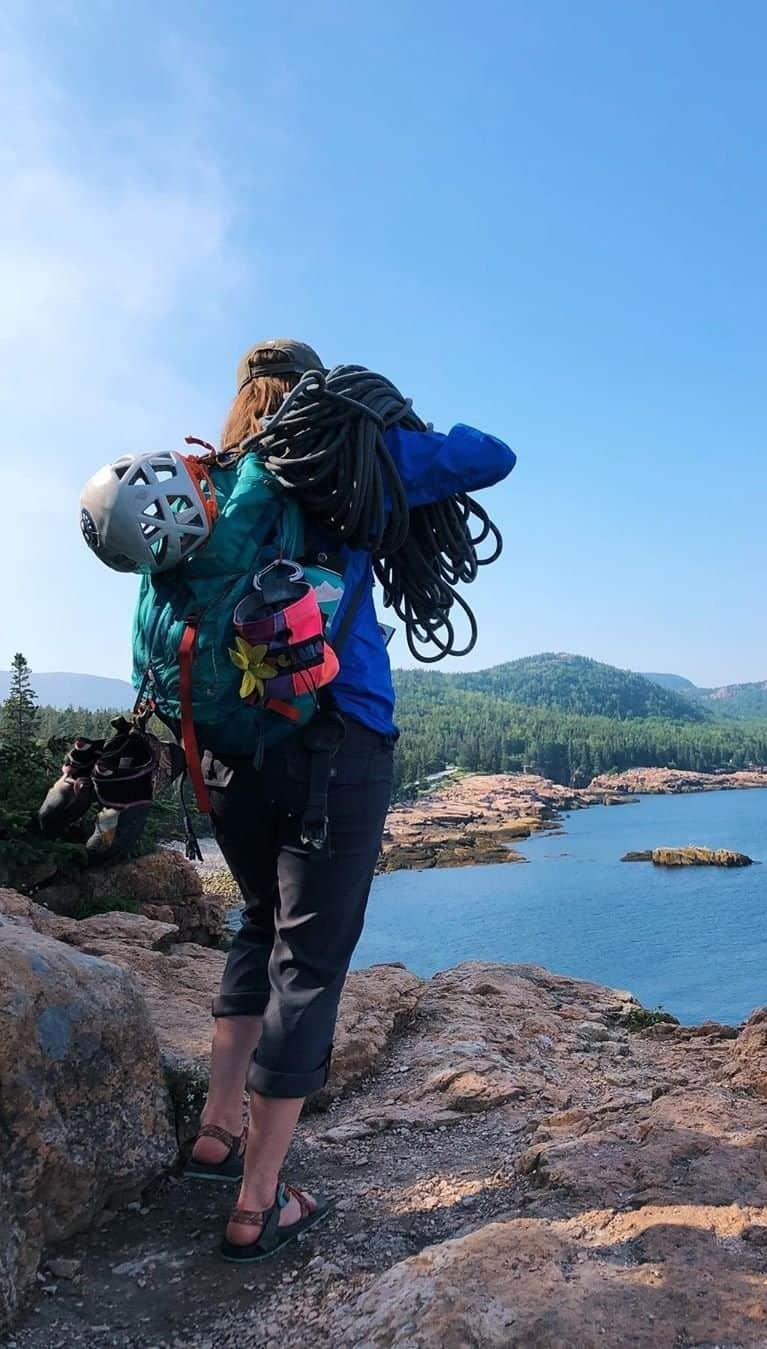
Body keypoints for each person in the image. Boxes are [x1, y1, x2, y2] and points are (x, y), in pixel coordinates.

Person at [182, 339, 515, 1260]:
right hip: (338, 740)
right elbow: (491, 452)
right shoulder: (343, 451)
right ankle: (258, 1200)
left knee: (258, 921)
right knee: (311, 960)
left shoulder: (215, 483)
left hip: (232, 748)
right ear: (317, 391)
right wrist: (390, 421)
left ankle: (216, 1131)